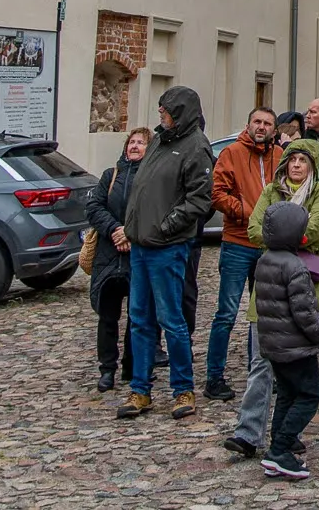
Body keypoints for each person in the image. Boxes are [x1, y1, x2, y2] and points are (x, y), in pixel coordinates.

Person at [223, 137, 319, 460]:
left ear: (312, 165)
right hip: (270, 293)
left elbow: (314, 229)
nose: (296, 165)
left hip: (305, 291)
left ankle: (286, 434)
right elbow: (256, 229)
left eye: (303, 160)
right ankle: (248, 432)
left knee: (296, 367)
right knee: (261, 364)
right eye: (292, 160)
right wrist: (289, 237)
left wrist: (280, 235)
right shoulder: (271, 192)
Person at [117, 87, 215, 419]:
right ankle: (140, 389)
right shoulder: (159, 141)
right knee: (139, 319)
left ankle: (182, 388)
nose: (160, 115)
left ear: (180, 112)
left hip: (168, 248)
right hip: (142, 246)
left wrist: (166, 226)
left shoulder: (196, 147)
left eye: (166, 110)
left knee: (171, 320)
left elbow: (200, 199)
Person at [206, 106, 281, 402]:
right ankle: (214, 376)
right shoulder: (232, 153)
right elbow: (217, 194)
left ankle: (260, 373)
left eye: (267, 123)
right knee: (226, 313)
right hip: (238, 242)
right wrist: (248, 214)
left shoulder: (278, 156)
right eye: (257, 122)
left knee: (263, 315)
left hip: (267, 245)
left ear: (274, 129)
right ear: (248, 124)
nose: (261, 127)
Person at [249, 201, 319, 481]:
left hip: (274, 344)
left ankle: (279, 443)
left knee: (288, 394)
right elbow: (305, 311)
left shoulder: (266, 260)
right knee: (308, 395)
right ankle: (279, 450)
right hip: (296, 346)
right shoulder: (295, 267)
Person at [85, 126, 151, 391]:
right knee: (108, 316)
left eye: (141, 143)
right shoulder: (110, 176)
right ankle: (107, 368)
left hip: (138, 253)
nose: (135, 146)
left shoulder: (151, 178)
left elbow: (152, 210)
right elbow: (94, 207)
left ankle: (131, 366)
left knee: (138, 316)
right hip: (109, 255)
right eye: (132, 142)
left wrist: (130, 233)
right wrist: (114, 230)